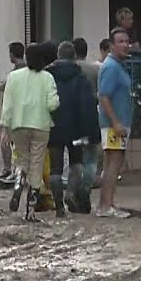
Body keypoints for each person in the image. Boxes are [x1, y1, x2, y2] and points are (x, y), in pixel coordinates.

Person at [1, 42, 60, 218]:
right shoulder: (47, 77)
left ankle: (19, 182)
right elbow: (52, 104)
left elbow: (7, 104)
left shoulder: (14, 77)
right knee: (37, 163)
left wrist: (4, 126)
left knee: (21, 160)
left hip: (18, 124)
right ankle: (30, 210)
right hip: (41, 125)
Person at [47, 42, 100, 216]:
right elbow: (87, 105)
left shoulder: (48, 76)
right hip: (77, 129)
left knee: (55, 167)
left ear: (58, 55)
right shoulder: (81, 77)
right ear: (74, 56)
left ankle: (58, 205)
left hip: (54, 127)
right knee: (76, 163)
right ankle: (70, 193)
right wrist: (90, 130)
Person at [96, 28, 133, 218]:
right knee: (113, 163)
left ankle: (106, 203)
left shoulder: (118, 65)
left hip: (118, 122)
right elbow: (104, 97)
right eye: (121, 42)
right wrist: (116, 122)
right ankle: (106, 205)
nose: (125, 45)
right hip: (113, 124)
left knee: (112, 163)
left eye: (127, 41)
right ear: (111, 45)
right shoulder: (111, 67)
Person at [73, 38, 102, 195]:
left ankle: (75, 186)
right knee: (91, 156)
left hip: (73, 118)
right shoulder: (96, 69)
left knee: (75, 156)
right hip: (92, 115)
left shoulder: (71, 69)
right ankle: (86, 187)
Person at [0, 41, 26, 184]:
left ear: (12, 54)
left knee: (7, 141)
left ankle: (11, 169)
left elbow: (2, 87)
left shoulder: (16, 73)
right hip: (22, 111)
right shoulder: (26, 69)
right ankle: (14, 169)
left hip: (13, 113)